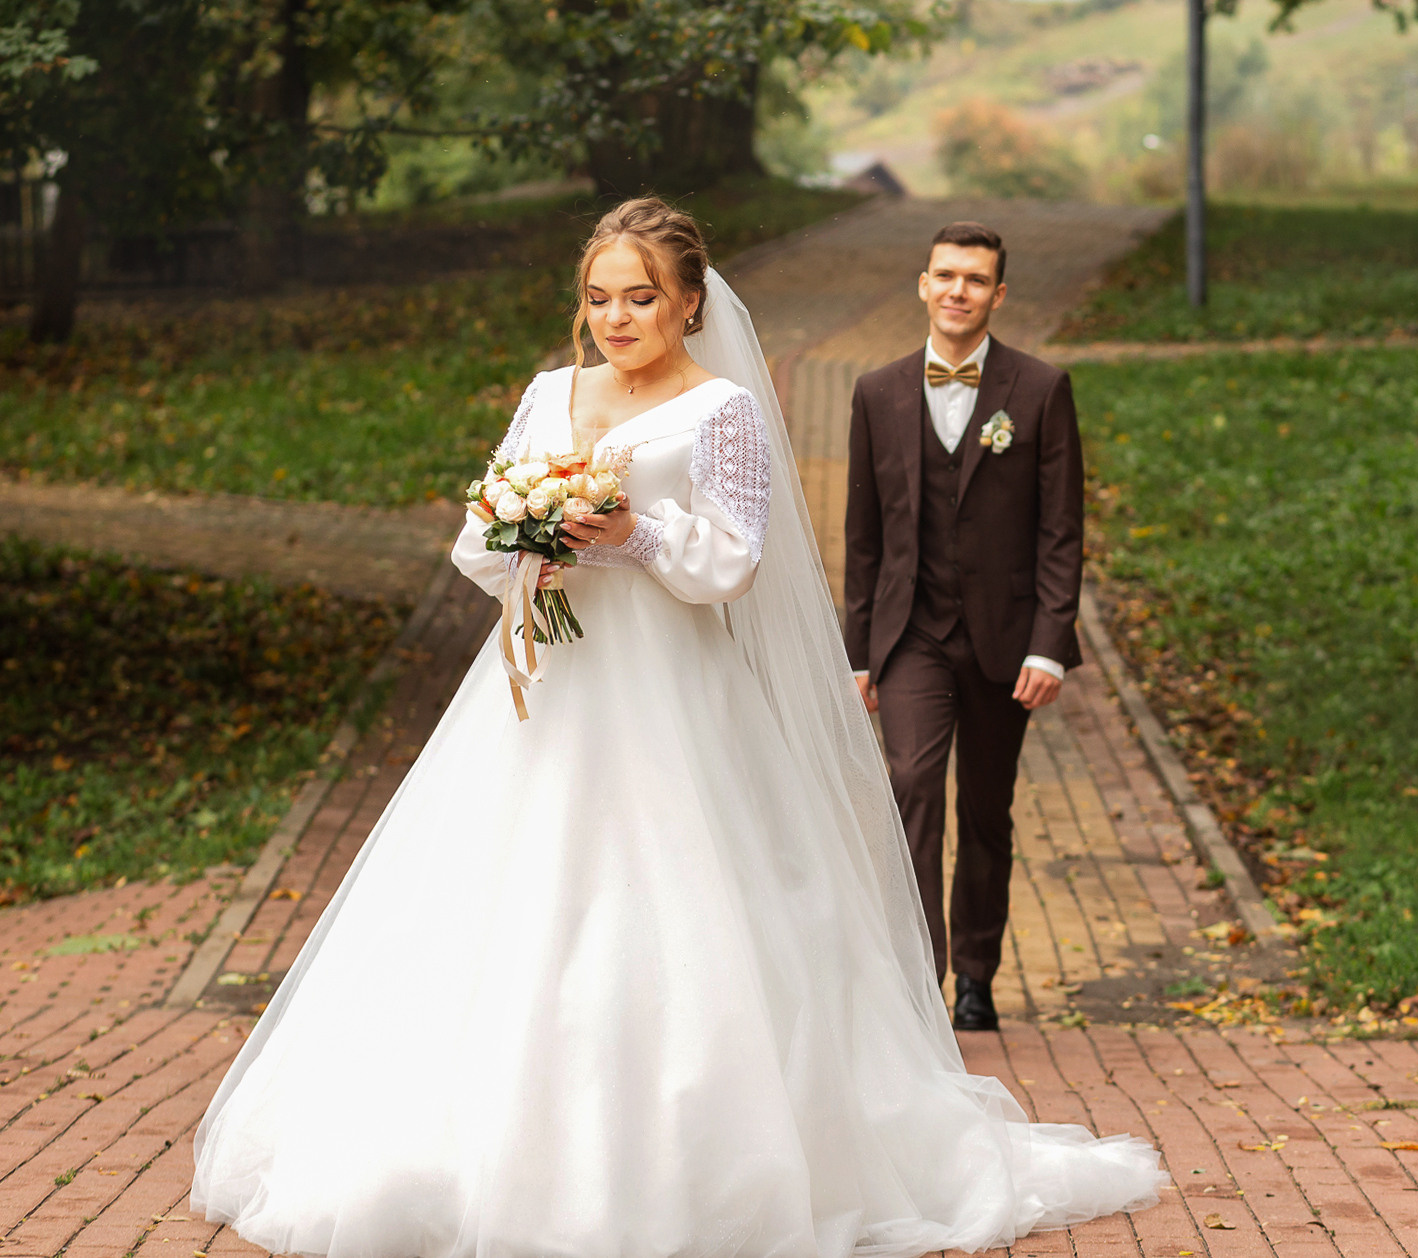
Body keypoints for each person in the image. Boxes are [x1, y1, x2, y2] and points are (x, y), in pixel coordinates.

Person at [188, 199, 1162, 1258]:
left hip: (674, 698)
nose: (617, 317)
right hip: (549, 688)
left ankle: (696, 1160)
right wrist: (535, 534)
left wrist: (634, 530)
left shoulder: (723, 411)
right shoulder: (549, 395)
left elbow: (733, 563)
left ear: (689, 303)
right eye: (599, 298)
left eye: (641, 297)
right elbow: (477, 536)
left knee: (681, 910)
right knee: (510, 899)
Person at [842, 222, 1084, 1034]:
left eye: (975, 280)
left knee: (986, 809)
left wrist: (1050, 642)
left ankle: (977, 974)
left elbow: (1061, 531)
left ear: (998, 295)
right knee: (912, 789)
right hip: (910, 634)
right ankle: (920, 980)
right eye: (945, 275)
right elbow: (864, 534)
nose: (958, 291)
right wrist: (857, 655)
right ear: (922, 284)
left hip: (1004, 641)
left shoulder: (1041, 389)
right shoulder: (875, 392)